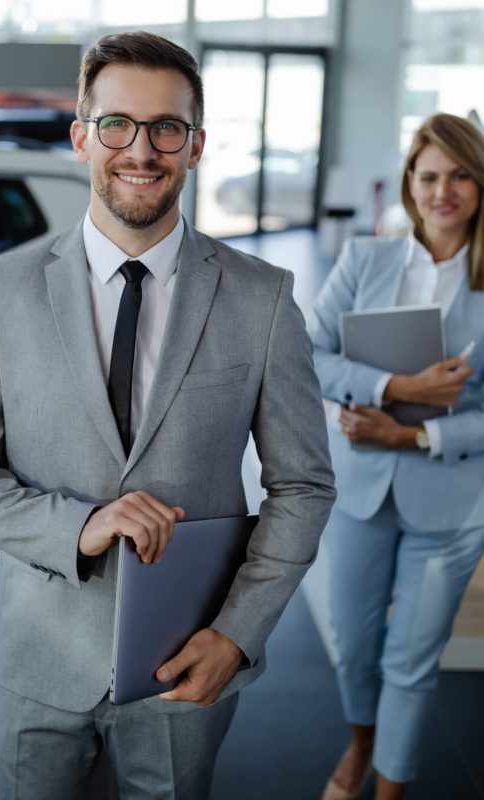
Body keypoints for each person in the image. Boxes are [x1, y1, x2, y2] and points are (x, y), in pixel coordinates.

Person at [0, 31, 335, 800]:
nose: (140, 150)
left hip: (188, 659)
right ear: (81, 136)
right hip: (36, 659)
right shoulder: (1, 291)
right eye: (117, 124)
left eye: (166, 128)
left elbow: (305, 487)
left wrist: (237, 635)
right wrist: (77, 526)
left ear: (196, 144)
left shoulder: (263, 298)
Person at [308, 112, 484, 800]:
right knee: (355, 646)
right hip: (361, 490)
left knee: (411, 660)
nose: (445, 191)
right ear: (410, 185)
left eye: (461, 175)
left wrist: (413, 433)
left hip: (453, 498)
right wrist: (394, 388)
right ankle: (360, 745)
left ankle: (389, 789)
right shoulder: (367, 260)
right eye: (430, 175)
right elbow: (309, 352)